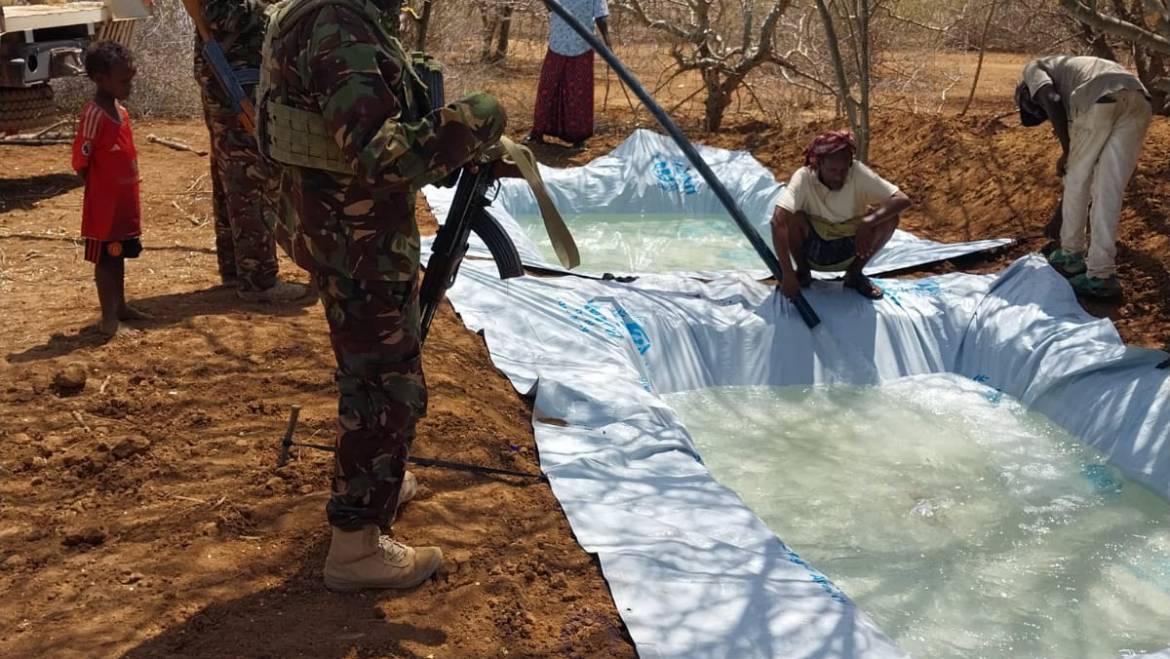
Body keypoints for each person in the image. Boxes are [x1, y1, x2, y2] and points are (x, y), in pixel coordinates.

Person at [257, 0, 509, 590]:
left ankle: (378, 485)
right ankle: (355, 547)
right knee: (384, 385)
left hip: (337, 228)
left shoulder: (326, 11)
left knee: (374, 373)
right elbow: (381, 153)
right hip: (356, 239)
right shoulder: (339, 22)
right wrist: (477, 119)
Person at [194, 0, 309, 302]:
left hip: (233, 73)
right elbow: (218, 12)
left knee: (232, 174)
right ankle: (258, 279)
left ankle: (238, 268)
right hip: (235, 80)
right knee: (250, 175)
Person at [1016, 55, 1153, 299]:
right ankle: (1101, 275)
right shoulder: (1073, 69)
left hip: (1098, 96)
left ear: (1025, 93)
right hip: (1138, 98)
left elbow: (1049, 97)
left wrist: (1068, 151)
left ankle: (1070, 255)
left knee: (1076, 178)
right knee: (1108, 189)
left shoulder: (1033, 69)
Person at [770, 131, 911, 301]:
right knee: (792, 216)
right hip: (813, 250)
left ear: (850, 164)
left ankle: (854, 274)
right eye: (832, 170)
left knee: (889, 218)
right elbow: (777, 221)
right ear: (819, 164)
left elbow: (902, 199)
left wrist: (868, 222)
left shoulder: (858, 172)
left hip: (853, 247)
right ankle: (802, 273)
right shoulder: (804, 177)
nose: (838, 176)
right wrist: (787, 274)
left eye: (843, 170)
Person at [72, 41, 150, 338]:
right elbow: (81, 158)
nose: (129, 85)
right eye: (124, 80)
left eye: (131, 79)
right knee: (106, 257)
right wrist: (98, 189)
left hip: (123, 202)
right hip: (104, 205)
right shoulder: (94, 115)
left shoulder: (121, 111)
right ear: (100, 78)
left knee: (118, 253)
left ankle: (121, 307)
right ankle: (108, 319)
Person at [524, 0, 610, 150]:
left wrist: (608, 42)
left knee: (578, 94)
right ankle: (537, 132)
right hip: (557, 43)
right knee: (547, 89)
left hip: (581, 46)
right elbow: (550, 8)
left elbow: (601, 16)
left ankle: (579, 139)